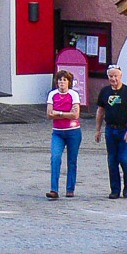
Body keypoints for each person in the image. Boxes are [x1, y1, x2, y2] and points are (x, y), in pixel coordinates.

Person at [95, 65, 127, 198]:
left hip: (124, 129)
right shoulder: (104, 91)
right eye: (110, 76)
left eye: (115, 76)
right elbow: (100, 111)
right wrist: (98, 129)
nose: (113, 79)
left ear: (120, 76)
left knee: (124, 159)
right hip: (110, 129)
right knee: (112, 160)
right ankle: (115, 189)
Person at [45, 69, 81, 199]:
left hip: (73, 132)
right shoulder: (52, 94)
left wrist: (58, 113)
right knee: (55, 158)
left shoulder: (74, 95)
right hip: (58, 132)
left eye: (64, 80)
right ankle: (54, 189)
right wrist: (66, 114)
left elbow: (75, 115)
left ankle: (70, 188)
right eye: (60, 80)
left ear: (69, 82)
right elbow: (49, 114)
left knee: (72, 160)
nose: (62, 82)